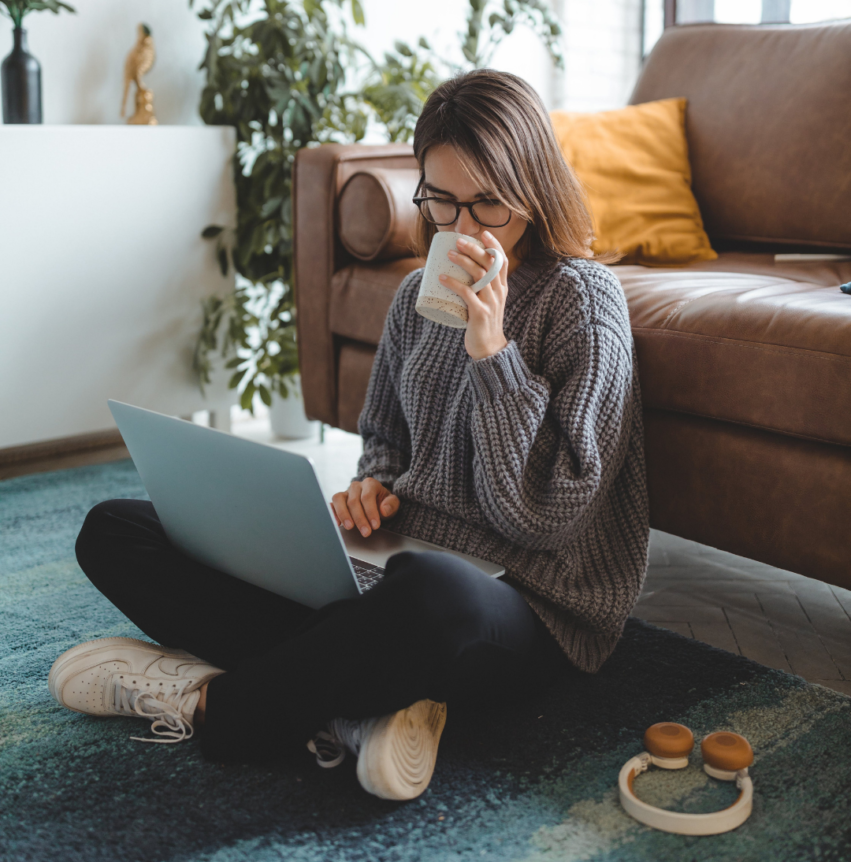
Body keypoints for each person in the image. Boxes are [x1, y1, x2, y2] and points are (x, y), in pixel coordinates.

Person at [49, 70, 650, 801]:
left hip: (524, 606)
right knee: (116, 529)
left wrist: (493, 356)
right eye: (439, 202)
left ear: (532, 186)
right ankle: (368, 705)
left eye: (488, 203)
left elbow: (544, 518)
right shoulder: (411, 298)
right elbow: (388, 447)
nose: (462, 230)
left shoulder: (584, 303)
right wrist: (373, 490)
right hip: (387, 581)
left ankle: (209, 702)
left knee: (432, 595)